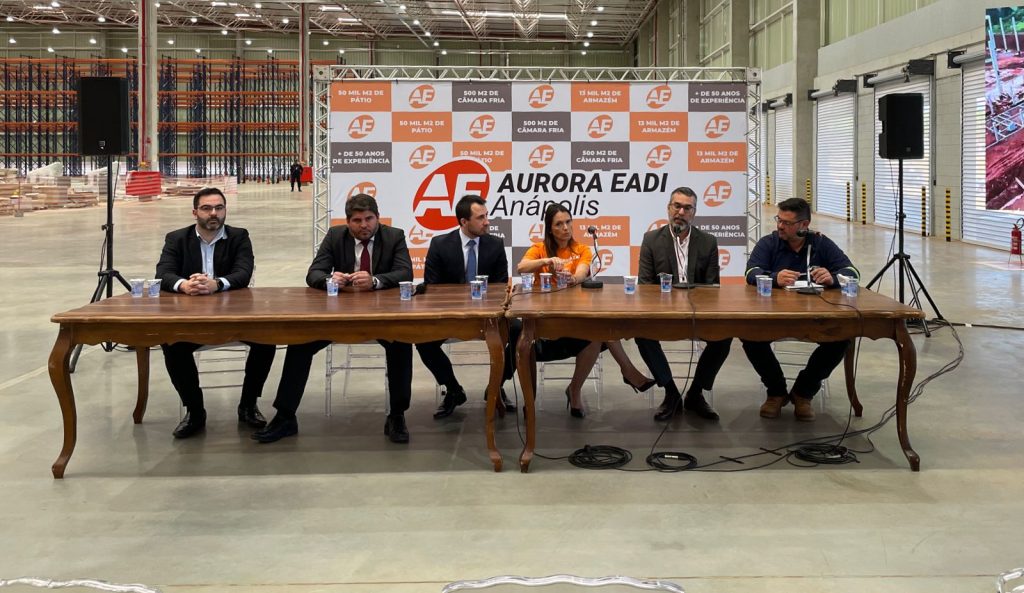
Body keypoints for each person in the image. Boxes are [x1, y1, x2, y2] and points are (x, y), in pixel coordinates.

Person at [253, 193, 415, 443]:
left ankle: (396, 415)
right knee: (299, 345)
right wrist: (330, 280)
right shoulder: (334, 236)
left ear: (378, 218)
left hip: (381, 316)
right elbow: (313, 272)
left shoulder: (394, 236)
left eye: (369, 219)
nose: (364, 225)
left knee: (402, 344)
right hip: (339, 317)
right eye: (358, 220)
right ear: (348, 222)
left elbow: (405, 271)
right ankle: (285, 417)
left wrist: (375, 281)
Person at [156, 187, 277, 438]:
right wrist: (184, 285)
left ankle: (248, 405)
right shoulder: (176, 238)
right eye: (207, 208)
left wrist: (217, 284)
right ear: (195, 212)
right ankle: (195, 411)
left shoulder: (239, 237)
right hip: (191, 317)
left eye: (219, 208)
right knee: (172, 344)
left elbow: (243, 272)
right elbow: (163, 273)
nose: (214, 213)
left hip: (234, 316)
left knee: (266, 340)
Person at [516, 203, 654, 418]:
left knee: (598, 334)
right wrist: (547, 261)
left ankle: (575, 390)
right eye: (559, 224)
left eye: (568, 222)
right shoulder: (539, 249)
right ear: (550, 228)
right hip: (544, 326)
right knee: (601, 331)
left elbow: (581, 273)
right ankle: (628, 371)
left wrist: (572, 278)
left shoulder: (582, 249)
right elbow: (521, 267)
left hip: (574, 320)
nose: (565, 228)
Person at [743, 197, 859, 422]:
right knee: (749, 337)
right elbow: (750, 273)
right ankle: (776, 391)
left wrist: (833, 278)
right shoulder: (769, 243)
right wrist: (775, 277)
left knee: (841, 339)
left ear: (804, 225)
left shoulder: (821, 243)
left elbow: (852, 272)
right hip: (774, 315)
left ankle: (803, 392)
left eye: (786, 223)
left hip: (815, 315)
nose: (779, 226)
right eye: (779, 220)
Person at [635, 186, 731, 422]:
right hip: (663, 312)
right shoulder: (651, 239)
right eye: (676, 206)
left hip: (698, 312)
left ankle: (696, 393)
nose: (681, 212)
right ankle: (670, 392)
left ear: (694, 212)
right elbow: (645, 286)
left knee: (725, 336)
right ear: (669, 208)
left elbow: (712, 287)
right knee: (642, 334)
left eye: (687, 208)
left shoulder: (708, 242)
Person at [417, 195, 518, 418]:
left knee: (520, 331)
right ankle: (453, 389)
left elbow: (501, 285)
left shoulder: (495, 244)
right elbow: (432, 287)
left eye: (486, 216)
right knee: (422, 340)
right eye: (480, 217)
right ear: (463, 222)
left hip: (489, 315)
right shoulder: (440, 244)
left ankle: (496, 386)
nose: (487, 222)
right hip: (451, 315)